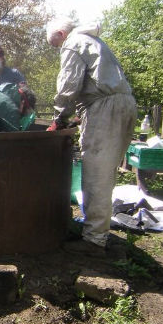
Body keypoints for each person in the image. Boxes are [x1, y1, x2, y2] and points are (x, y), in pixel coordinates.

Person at [45, 18, 137, 256]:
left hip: (105, 108)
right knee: (105, 172)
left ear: (61, 33)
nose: (58, 49)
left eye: (56, 44)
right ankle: (95, 229)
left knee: (96, 171)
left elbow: (68, 86)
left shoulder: (73, 43)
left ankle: (94, 241)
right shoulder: (93, 42)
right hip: (122, 103)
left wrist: (59, 119)